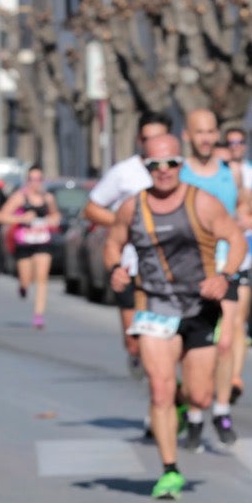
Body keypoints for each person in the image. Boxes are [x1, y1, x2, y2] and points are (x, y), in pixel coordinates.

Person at [104, 133, 246, 499]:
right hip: (155, 306)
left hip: (200, 307)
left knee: (199, 395)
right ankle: (169, 470)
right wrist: (116, 270)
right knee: (159, 387)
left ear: (180, 165)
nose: (163, 172)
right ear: (145, 167)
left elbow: (237, 239)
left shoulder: (202, 203)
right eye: (155, 165)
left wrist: (223, 276)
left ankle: (186, 406)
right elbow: (112, 244)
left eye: (170, 164)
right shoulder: (132, 208)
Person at [176, 109, 252, 447]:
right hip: (188, 270)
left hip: (227, 266)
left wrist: (250, 220)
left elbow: (241, 211)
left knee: (226, 341)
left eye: (211, 132)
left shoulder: (230, 171)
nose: (206, 138)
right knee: (190, 348)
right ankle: (193, 413)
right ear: (187, 135)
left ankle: (221, 410)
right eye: (200, 132)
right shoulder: (178, 173)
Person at [87, 112, 175, 378]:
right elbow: (91, 209)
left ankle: (165, 391)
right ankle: (145, 367)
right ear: (139, 140)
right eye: (148, 139)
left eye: (159, 137)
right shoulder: (124, 172)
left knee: (168, 341)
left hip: (172, 269)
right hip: (131, 266)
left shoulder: (178, 170)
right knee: (135, 339)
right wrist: (124, 223)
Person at [221, 126, 252, 401]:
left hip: (244, 249)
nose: (235, 147)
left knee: (239, 320)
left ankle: (235, 375)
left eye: (240, 142)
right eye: (230, 143)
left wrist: (241, 185)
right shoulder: (215, 172)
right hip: (219, 252)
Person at [0, 165, 61, 328]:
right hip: (24, 242)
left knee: (42, 278)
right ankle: (23, 286)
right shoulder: (19, 197)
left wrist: (53, 220)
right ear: (27, 181)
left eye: (39, 179)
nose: (35, 183)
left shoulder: (48, 198)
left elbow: (55, 215)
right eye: (32, 179)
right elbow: (1, 216)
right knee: (26, 279)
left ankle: (38, 315)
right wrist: (21, 219)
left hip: (42, 241)